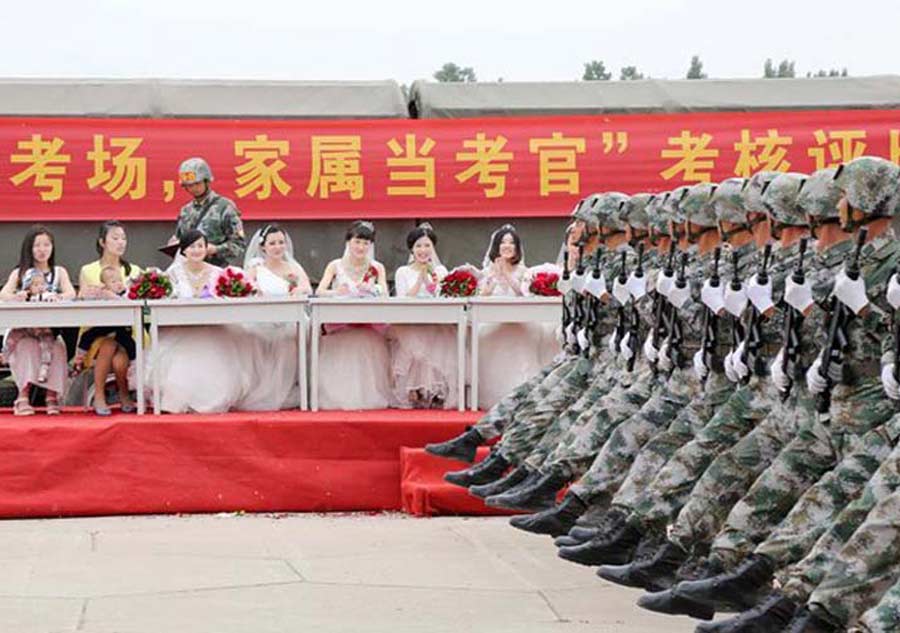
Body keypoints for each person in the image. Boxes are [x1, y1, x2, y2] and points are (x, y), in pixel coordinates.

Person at [151, 230, 252, 413]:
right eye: (191, 246)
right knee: (181, 356)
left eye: (200, 246)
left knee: (213, 351)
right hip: (182, 328)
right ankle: (176, 400)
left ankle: (210, 401)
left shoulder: (220, 273)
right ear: (183, 250)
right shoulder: (172, 274)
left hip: (213, 327)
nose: (196, 250)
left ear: (206, 249)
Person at [475, 224, 556, 409]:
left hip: (520, 320)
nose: (507, 246)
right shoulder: (488, 271)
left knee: (520, 335)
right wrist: (493, 278)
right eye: (503, 242)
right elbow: (482, 295)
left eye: (511, 243)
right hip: (493, 320)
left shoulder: (524, 271)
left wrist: (507, 275)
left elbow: (523, 294)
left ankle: (521, 396)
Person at [315, 220, 392, 409]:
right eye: (357, 242)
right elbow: (319, 292)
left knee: (367, 342)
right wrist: (337, 292)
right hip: (341, 325)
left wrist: (371, 289)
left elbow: (385, 294)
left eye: (366, 243)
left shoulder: (377, 268)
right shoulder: (335, 266)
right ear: (349, 242)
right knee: (348, 343)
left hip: (368, 325)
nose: (361, 247)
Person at [0, 226, 76, 415]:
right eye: (37, 246)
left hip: (48, 331)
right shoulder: (20, 273)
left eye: (46, 245)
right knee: (25, 346)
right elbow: (4, 293)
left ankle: (51, 396)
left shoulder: (59, 272)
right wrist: (18, 296)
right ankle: (23, 395)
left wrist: (58, 297)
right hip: (24, 330)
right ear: (29, 249)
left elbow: (71, 293)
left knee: (58, 348)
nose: (42, 250)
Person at [239, 224, 311, 410]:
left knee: (290, 338)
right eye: (272, 243)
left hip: (288, 318)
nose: (277, 247)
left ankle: (285, 390)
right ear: (263, 247)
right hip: (260, 318)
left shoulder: (293, 268)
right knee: (248, 334)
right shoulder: (256, 267)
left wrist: (298, 290)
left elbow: (306, 288)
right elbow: (245, 288)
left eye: (281, 242)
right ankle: (256, 389)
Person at [77, 221, 142, 415]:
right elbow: (81, 303)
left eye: (123, 238)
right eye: (115, 238)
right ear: (102, 242)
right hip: (97, 331)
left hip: (128, 331)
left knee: (117, 352)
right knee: (108, 345)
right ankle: (119, 395)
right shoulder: (88, 270)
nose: (121, 242)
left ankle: (103, 396)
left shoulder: (134, 271)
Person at [388, 223, 456, 409]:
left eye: (427, 246)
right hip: (410, 322)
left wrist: (432, 279)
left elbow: (443, 296)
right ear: (412, 249)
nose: (423, 250)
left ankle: (434, 392)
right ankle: (413, 390)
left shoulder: (441, 272)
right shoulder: (403, 272)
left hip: (435, 321)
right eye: (418, 246)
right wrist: (420, 278)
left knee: (438, 336)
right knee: (414, 340)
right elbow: (404, 298)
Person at [170, 157, 245, 267]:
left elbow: (238, 244)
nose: (194, 188)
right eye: (189, 185)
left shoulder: (225, 207)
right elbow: (179, 239)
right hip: (189, 271)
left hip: (216, 270)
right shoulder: (186, 211)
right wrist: (174, 245)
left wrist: (215, 249)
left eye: (197, 183)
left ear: (206, 181)